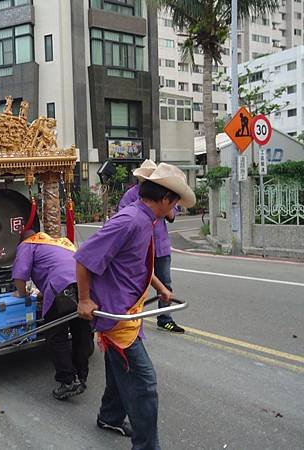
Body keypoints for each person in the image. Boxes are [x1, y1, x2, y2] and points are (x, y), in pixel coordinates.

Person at [75, 163, 195, 449]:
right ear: (165, 199)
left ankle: (109, 416)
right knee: (144, 384)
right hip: (117, 316)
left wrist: (161, 288)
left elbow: (138, 263)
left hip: (131, 308)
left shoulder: (147, 220)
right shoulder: (130, 221)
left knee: (121, 369)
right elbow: (83, 258)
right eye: (175, 202)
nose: (176, 208)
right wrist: (83, 299)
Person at [12, 229, 92, 400]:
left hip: (60, 288)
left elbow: (20, 276)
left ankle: (68, 381)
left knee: (56, 336)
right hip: (83, 287)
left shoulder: (28, 244)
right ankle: (81, 375)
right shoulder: (61, 242)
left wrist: (22, 294)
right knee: (81, 332)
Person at [119, 160, 185, 334]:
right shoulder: (131, 195)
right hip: (140, 246)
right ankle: (132, 317)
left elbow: (171, 216)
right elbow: (123, 218)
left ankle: (165, 318)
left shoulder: (164, 194)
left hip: (160, 244)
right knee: (138, 282)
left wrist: (163, 202)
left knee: (165, 283)